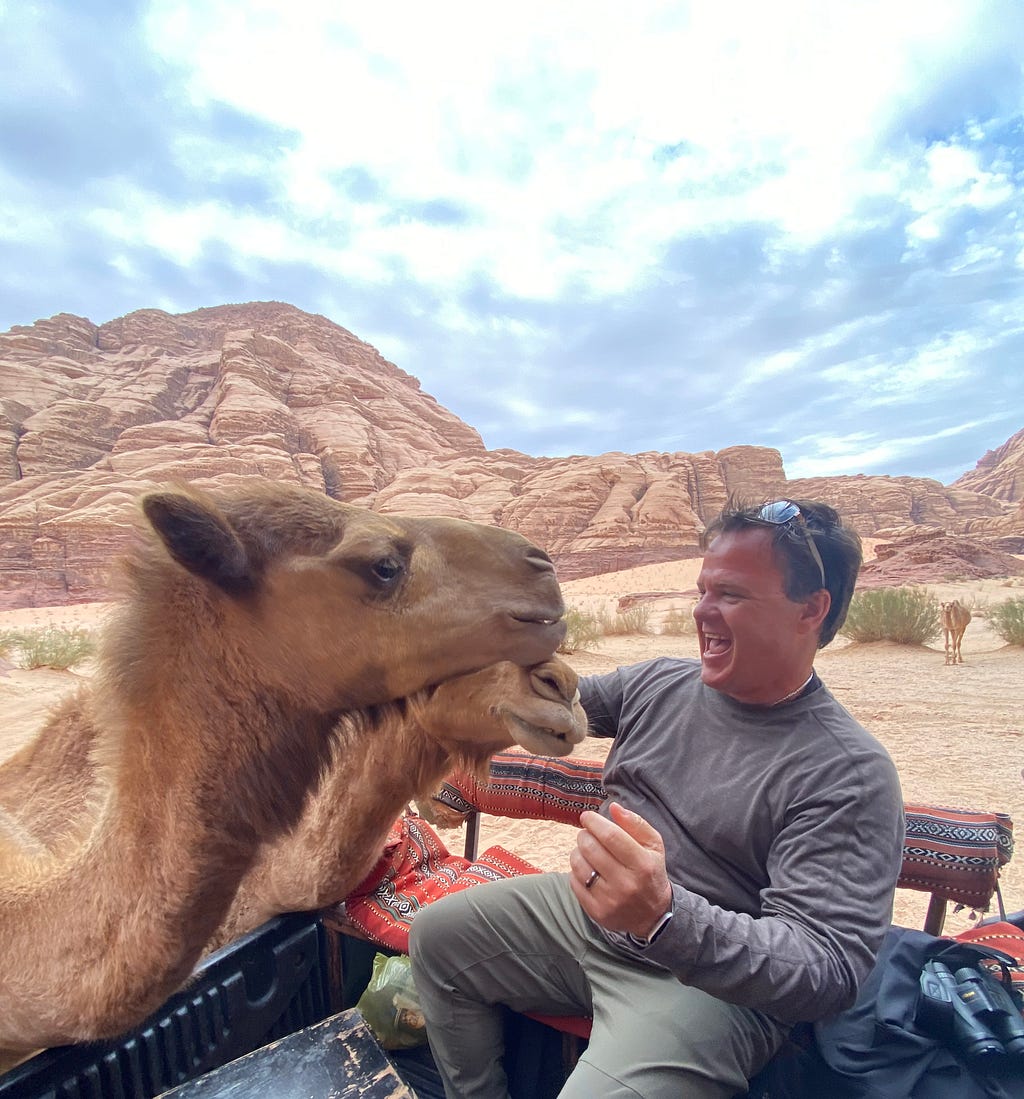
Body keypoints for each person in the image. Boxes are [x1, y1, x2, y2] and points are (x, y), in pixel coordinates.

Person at [409, 499, 905, 1098]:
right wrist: (462, 662)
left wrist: (663, 916)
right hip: (586, 919)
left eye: (732, 595)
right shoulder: (662, 684)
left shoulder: (846, 771)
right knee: (436, 937)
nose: (702, 612)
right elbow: (553, 701)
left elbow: (827, 969)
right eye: (701, 590)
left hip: (707, 987)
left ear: (811, 610)